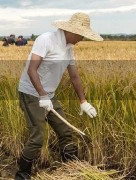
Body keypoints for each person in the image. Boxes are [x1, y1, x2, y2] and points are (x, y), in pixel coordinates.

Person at [16, 12, 103, 179]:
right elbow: (31, 69)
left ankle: (70, 170)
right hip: (31, 93)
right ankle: (22, 174)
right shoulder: (46, 40)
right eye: (82, 35)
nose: (82, 39)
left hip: (49, 94)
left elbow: (74, 76)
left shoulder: (68, 48)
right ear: (72, 32)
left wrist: (83, 101)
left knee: (65, 132)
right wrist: (42, 95)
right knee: (37, 138)